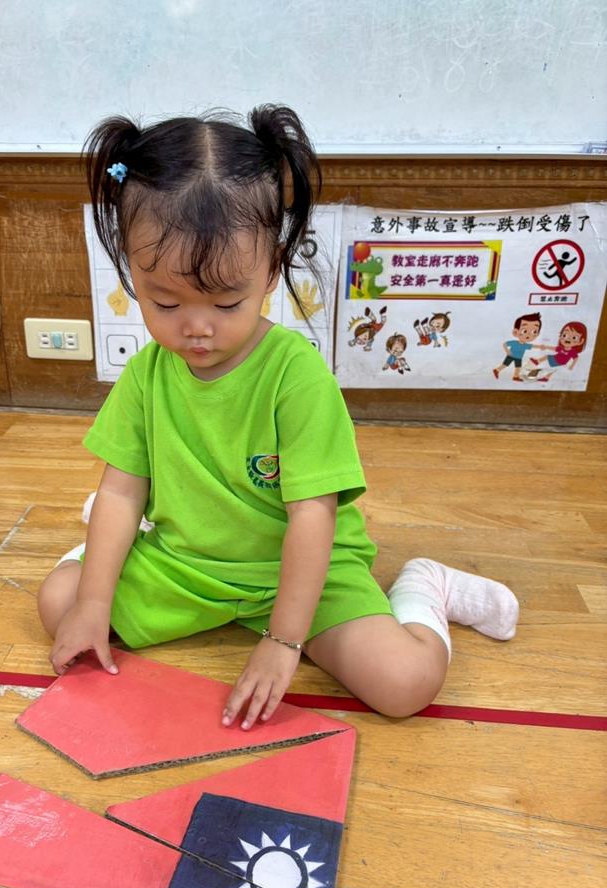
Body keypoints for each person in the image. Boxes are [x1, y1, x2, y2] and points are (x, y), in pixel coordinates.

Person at [37, 105, 518, 729]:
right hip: (190, 568)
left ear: (272, 266)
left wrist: (285, 642)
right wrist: (93, 602)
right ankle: (112, 551)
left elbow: (313, 518)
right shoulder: (149, 373)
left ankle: (426, 585)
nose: (197, 328)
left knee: (405, 684)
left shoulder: (297, 376)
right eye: (166, 303)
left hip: (301, 569)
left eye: (226, 303)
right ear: (132, 269)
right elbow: (122, 490)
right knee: (62, 603)